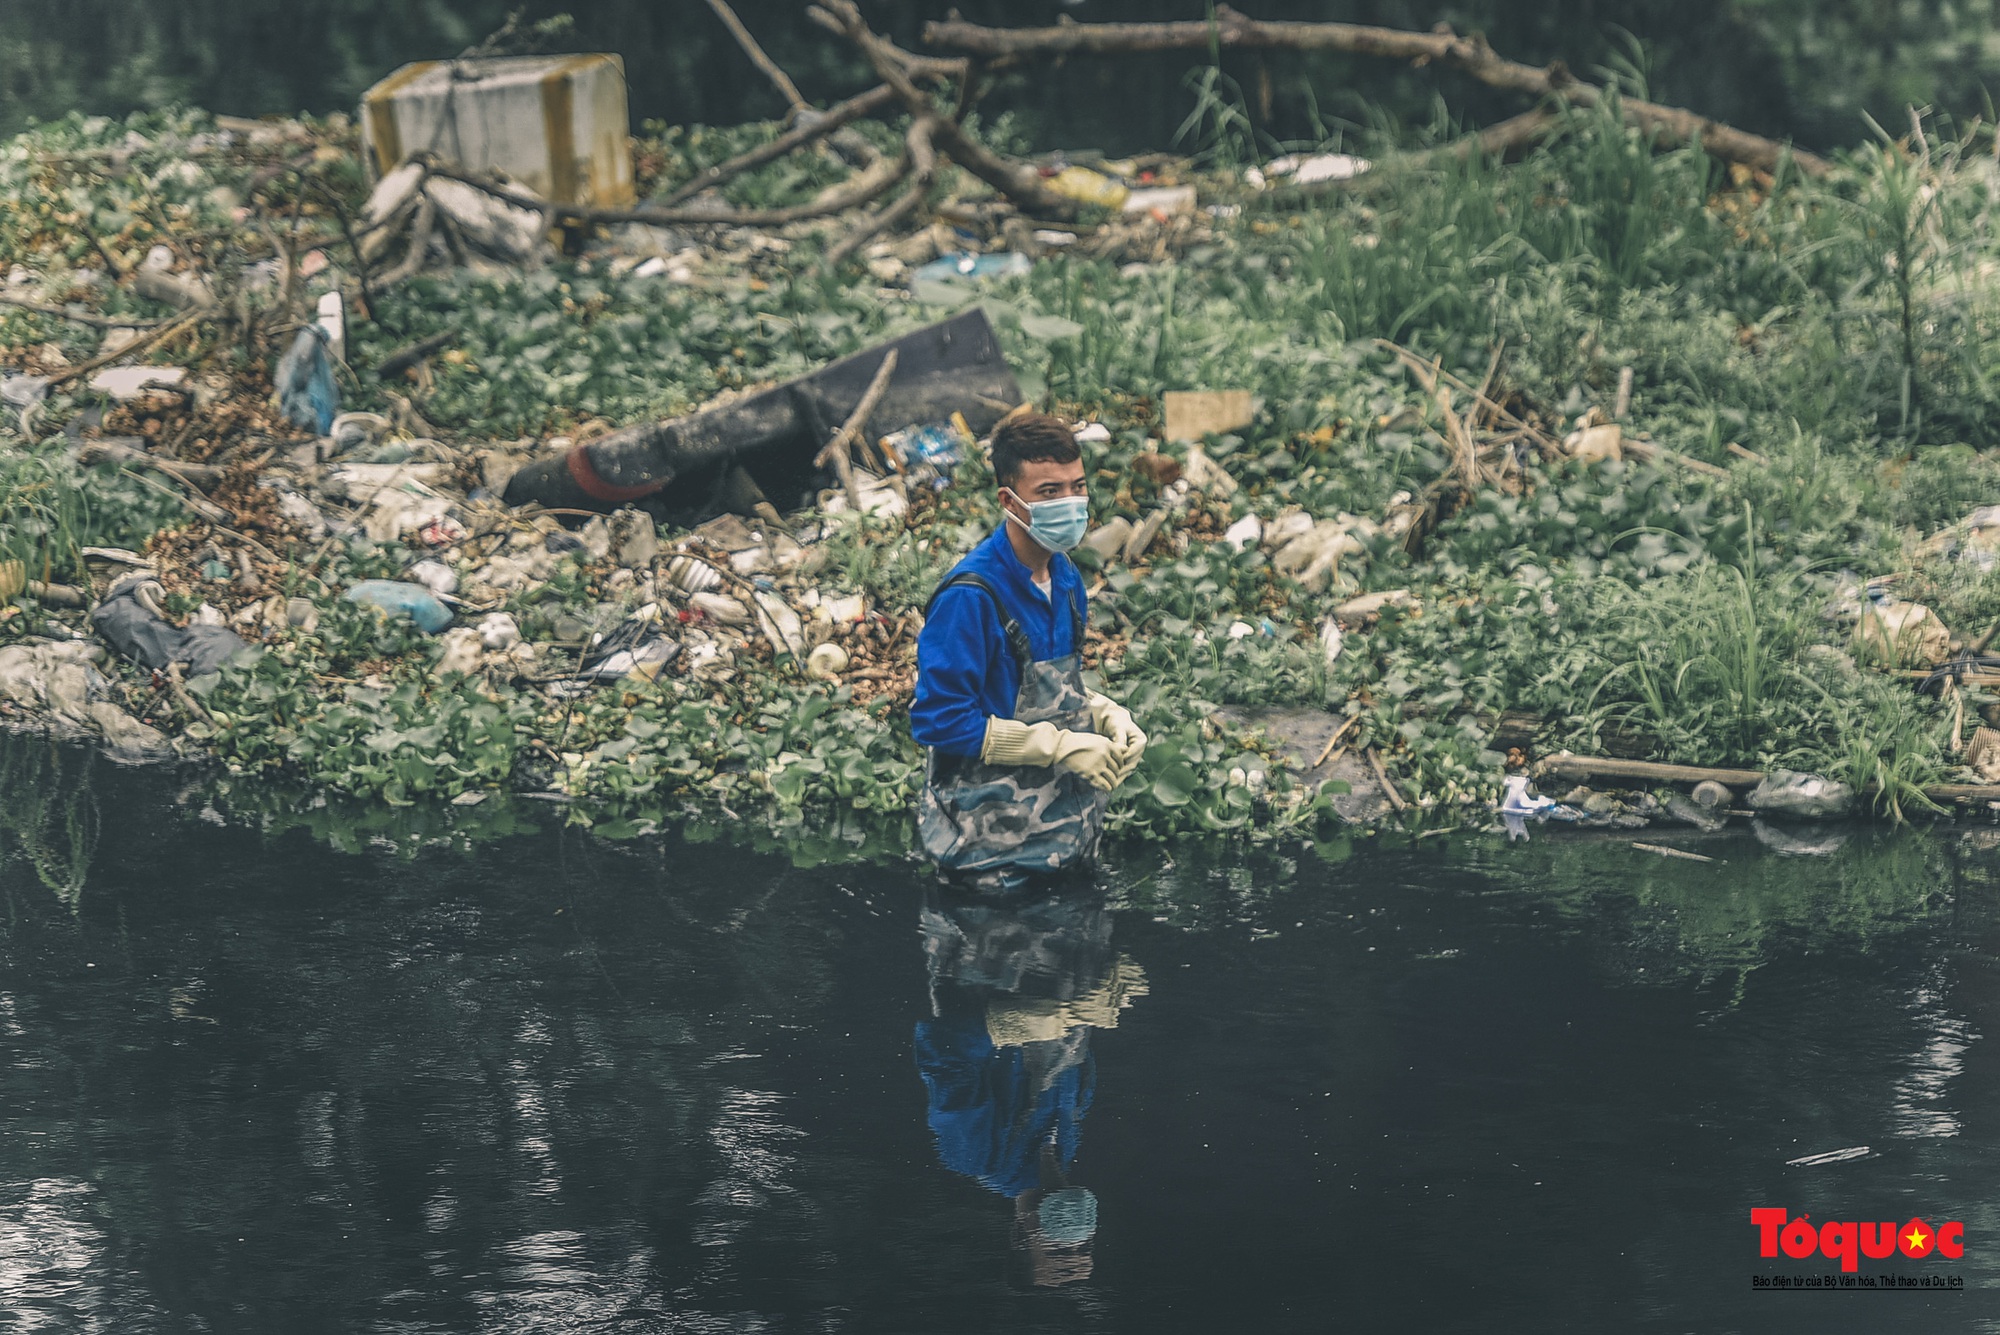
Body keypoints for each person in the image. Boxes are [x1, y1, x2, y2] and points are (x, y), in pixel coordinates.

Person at [910, 413, 1147, 883]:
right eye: (1049, 492)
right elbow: (939, 720)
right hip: (989, 855)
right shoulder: (970, 596)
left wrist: (1107, 714)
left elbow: (1048, 688)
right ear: (1009, 501)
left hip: (1067, 838)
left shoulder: (1065, 578)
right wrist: (1057, 745)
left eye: (1077, 486)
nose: (1071, 503)